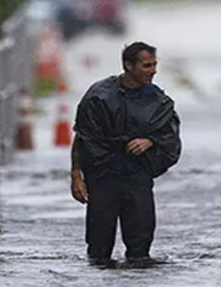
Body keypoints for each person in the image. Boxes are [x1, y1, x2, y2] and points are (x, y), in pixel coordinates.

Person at [70, 41, 182, 267]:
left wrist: (150, 141)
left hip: (137, 176)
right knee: (98, 250)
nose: (153, 71)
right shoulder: (99, 96)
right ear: (128, 65)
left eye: (154, 65)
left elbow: (169, 136)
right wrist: (76, 176)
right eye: (147, 66)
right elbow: (83, 137)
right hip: (103, 176)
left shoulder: (158, 101)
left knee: (140, 249)